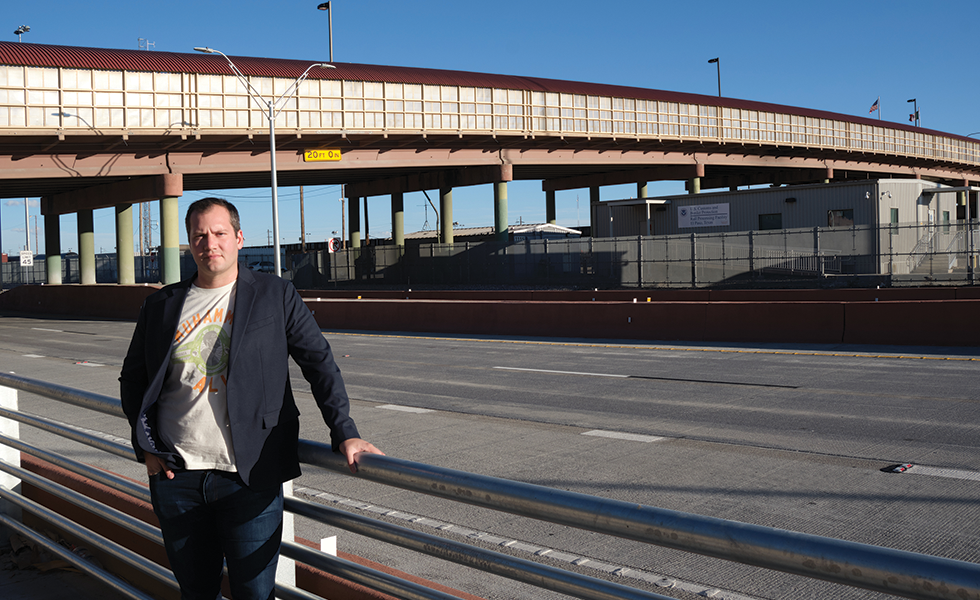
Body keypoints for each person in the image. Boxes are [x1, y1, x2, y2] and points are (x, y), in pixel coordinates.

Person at [120, 197, 382, 600]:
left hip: (250, 478)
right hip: (177, 478)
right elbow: (134, 379)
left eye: (220, 233)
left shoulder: (276, 295)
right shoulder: (161, 305)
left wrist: (344, 431)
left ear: (239, 238)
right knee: (196, 592)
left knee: (254, 594)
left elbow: (320, 364)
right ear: (190, 244)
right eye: (200, 236)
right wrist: (146, 447)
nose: (211, 243)